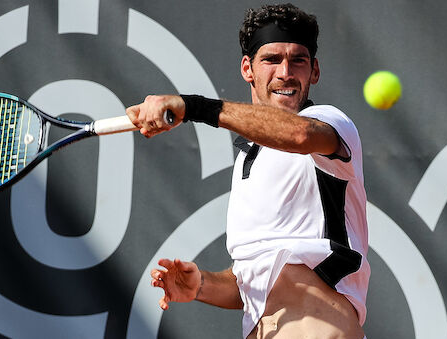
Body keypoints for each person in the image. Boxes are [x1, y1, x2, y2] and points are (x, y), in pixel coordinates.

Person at [126, 3, 370, 339]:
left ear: (314, 71)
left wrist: (194, 107)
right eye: (272, 59)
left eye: (297, 60)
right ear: (248, 69)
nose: (286, 72)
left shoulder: (331, 123)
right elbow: (252, 280)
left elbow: (298, 134)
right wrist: (201, 285)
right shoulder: (247, 160)